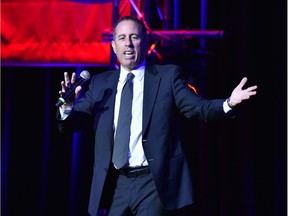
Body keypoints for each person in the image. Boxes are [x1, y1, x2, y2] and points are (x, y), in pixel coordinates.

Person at [56, 15, 257, 216]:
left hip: (152, 183)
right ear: (113, 46)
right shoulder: (100, 84)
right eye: (122, 38)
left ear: (145, 42)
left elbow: (199, 108)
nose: (128, 43)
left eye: (134, 37)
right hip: (115, 184)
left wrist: (228, 103)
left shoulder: (168, 77)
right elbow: (71, 123)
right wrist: (67, 107)